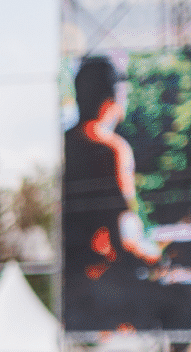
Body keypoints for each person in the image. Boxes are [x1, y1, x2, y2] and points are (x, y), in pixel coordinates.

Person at [64, 55, 163, 306]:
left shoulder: (62, 144)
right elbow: (125, 231)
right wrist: (156, 253)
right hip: (100, 282)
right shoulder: (113, 150)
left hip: (66, 279)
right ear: (113, 99)